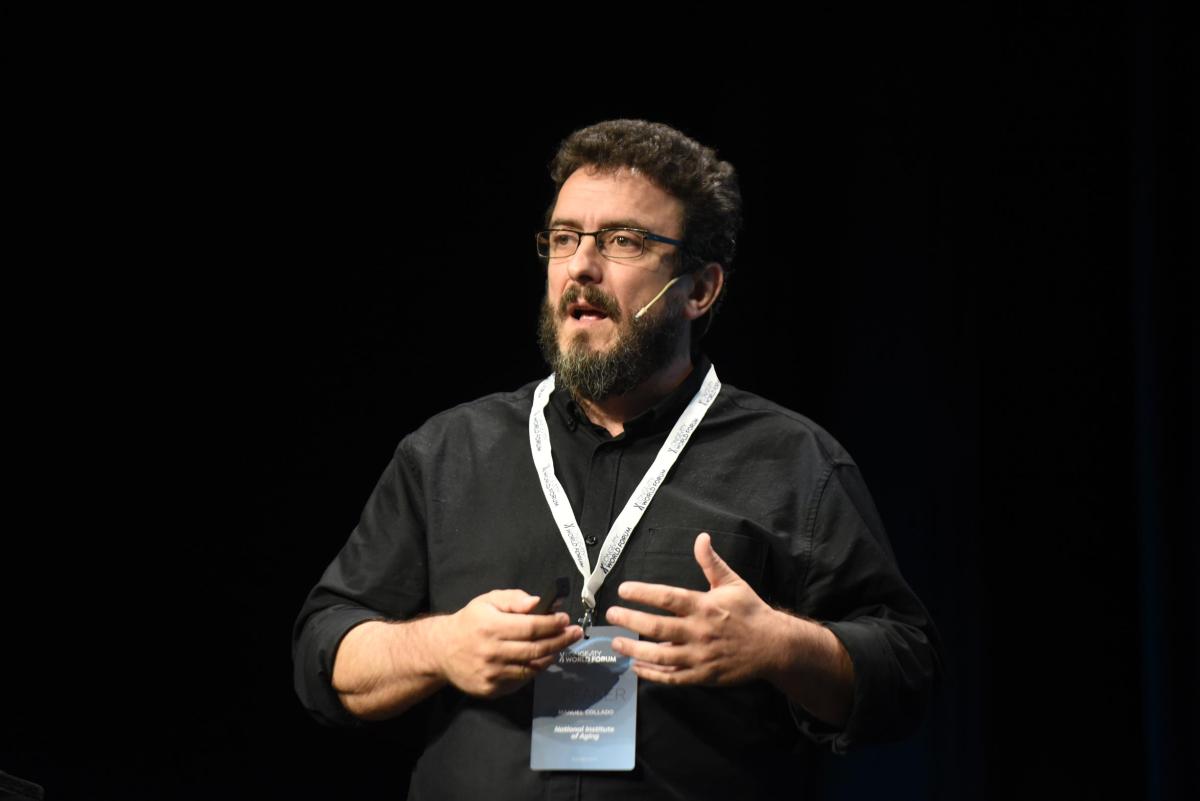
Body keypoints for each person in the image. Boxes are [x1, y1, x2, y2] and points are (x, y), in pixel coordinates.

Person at [292, 119, 941, 799]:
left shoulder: (792, 462)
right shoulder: (449, 453)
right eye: (564, 238)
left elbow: (908, 672)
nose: (581, 266)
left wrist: (780, 645)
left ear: (699, 290)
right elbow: (322, 653)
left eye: (623, 241)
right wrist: (439, 647)